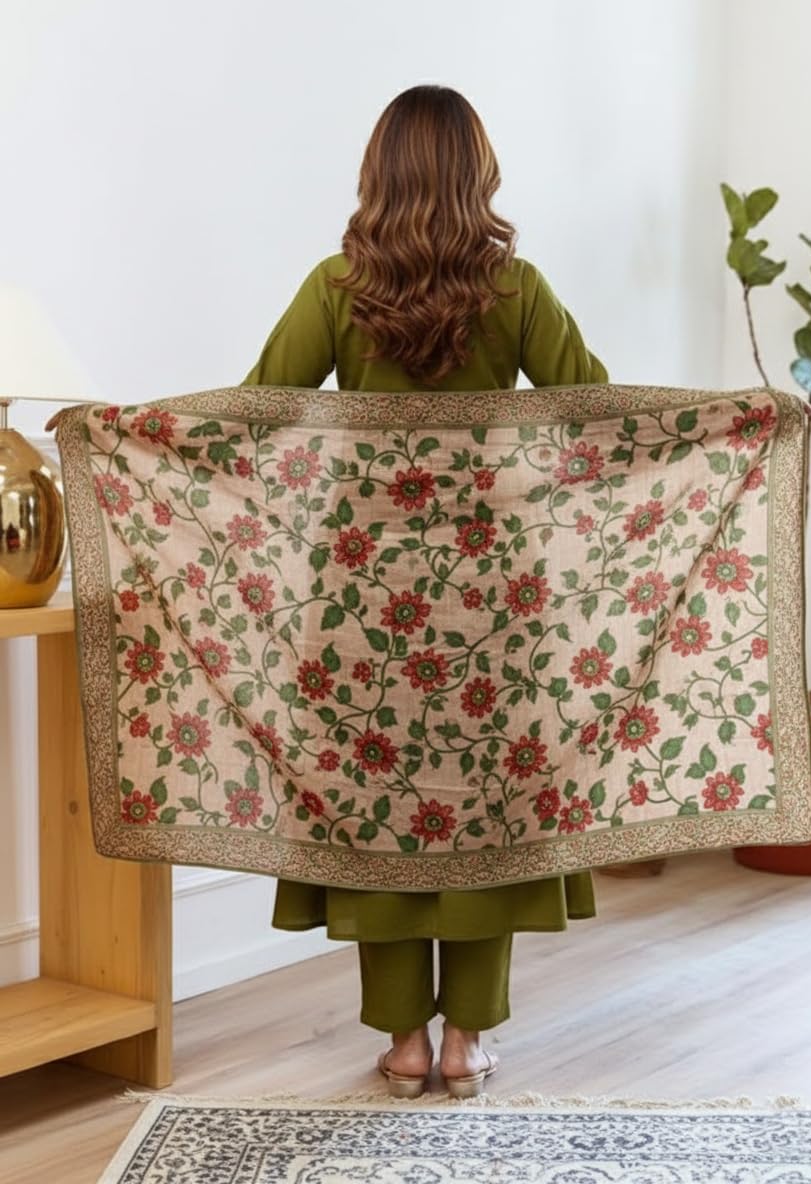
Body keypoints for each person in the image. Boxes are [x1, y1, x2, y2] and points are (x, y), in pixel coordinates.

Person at [243, 84, 607, 1099]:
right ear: (477, 174)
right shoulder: (517, 289)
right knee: (488, 804)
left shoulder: (335, 288)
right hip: (494, 594)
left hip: (363, 599)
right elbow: (599, 408)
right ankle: (466, 1042)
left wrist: (125, 433)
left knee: (378, 801)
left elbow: (256, 410)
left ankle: (406, 1039)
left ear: (381, 174)